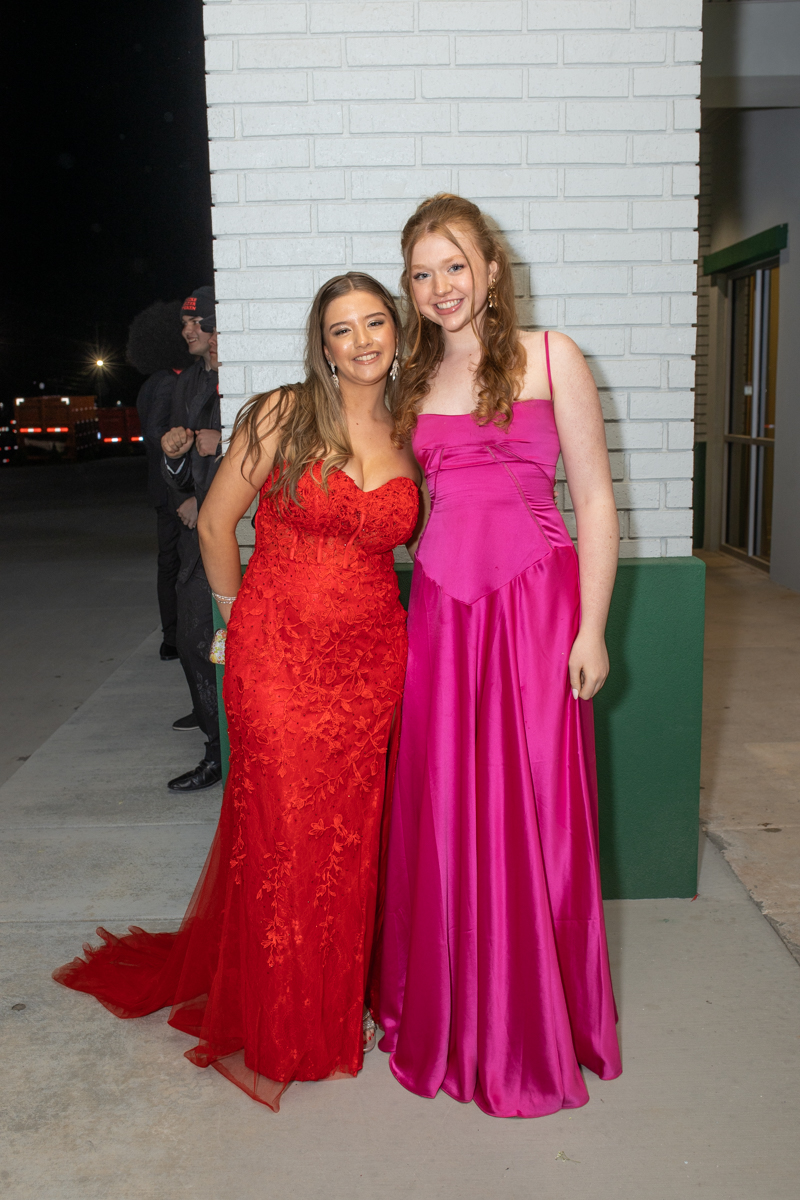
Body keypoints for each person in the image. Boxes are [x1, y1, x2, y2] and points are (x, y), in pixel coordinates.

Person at [53, 272, 419, 1112]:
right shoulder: (285, 412)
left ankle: (338, 994)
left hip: (372, 662)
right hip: (278, 652)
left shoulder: (411, 427)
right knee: (285, 832)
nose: (361, 341)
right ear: (322, 345)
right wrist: (233, 621)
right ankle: (285, 1011)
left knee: (350, 836)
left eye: (375, 323)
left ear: (397, 333)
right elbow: (218, 522)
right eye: (342, 328)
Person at [378, 194, 623, 1118]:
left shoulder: (553, 356)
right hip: (443, 615)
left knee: (539, 807)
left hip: (535, 609)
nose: (440, 286)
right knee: (445, 807)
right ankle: (451, 1012)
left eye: (455, 264)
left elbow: (594, 500)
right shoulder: (410, 377)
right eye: (422, 273)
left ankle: (534, 1025)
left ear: (490, 266)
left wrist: (592, 627)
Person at [160, 287, 224, 790]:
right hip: (197, 535)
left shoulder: (243, 374)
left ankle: (223, 751)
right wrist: (175, 457)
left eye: (197, 322)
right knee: (190, 639)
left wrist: (224, 443)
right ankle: (214, 738)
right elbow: (180, 467)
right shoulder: (187, 382)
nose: (188, 331)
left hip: (234, 532)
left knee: (212, 642)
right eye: (185, 324)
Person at [126, 300, 193, 664]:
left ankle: (172, 637)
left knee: (169, 562)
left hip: (162, 487)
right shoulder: (169, 381)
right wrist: (185, 442)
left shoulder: (154, 381)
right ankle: (174, 638)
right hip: (173, 490)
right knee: (176, 563)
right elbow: (156, 434)